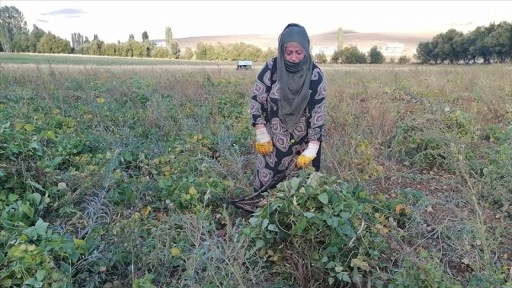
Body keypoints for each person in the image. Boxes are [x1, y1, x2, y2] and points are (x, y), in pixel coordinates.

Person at [231, 23, 327, 212]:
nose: (293, 58)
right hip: (272, 140)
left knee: (299, 192)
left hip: (301, 144)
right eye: (288, 52)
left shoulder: (315, 75)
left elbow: (318, 112)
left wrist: (313, 148)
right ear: (281, 49)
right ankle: (261, 217)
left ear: (306, 49)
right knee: (265, 185)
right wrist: (260, 131)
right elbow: (257, 99)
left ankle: (290, 222)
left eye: (299, 52)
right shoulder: (272, 68)